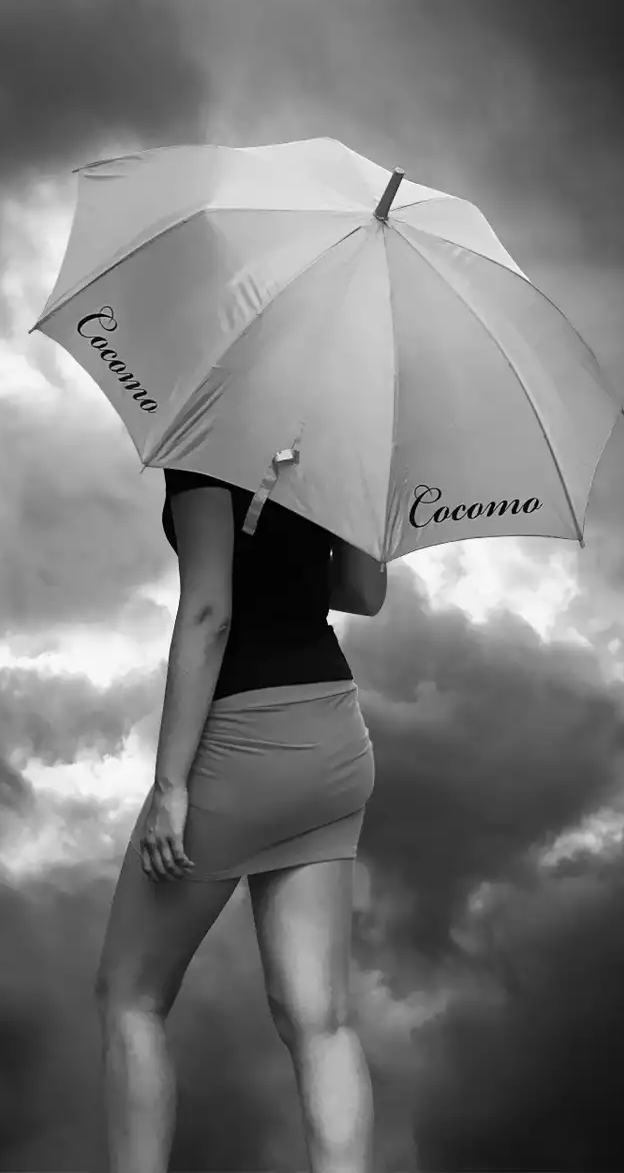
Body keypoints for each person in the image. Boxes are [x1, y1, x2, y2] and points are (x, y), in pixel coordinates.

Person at [95, 466, 387, 1173]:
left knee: (130, 993)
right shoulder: (337, 438)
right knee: (320, 1019)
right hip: (333, 736)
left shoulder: (206, 444)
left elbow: (208, 613)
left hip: (240, 740)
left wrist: (171, 785)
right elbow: (361, 593)